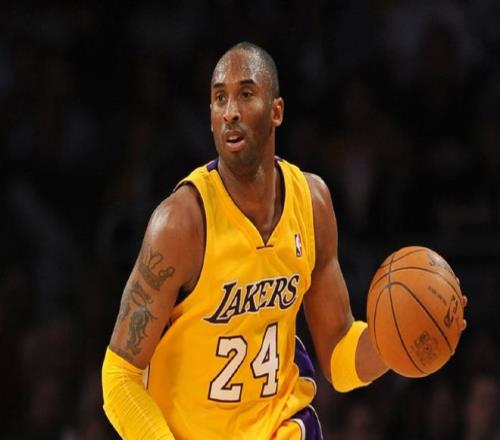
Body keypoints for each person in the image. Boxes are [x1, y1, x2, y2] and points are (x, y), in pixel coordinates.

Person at [101, 42, 465, 439]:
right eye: (220, 98)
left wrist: (397, 339)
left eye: (246, 94)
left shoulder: (312, 203)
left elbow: (339, 357)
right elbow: (119, 376)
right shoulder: (182, 222)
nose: (231, 111)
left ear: (276, 111)